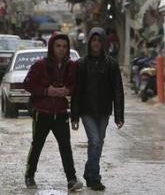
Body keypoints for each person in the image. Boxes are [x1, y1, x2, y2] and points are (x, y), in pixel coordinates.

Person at [22, 32, 83, 191]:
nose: (61, 49)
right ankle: (29, 176)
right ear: (51, 47)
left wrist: (66, 90)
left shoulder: (71, 66)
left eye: (64, 46)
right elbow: (28, 85)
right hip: (42, 112)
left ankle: (71, 180)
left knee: (65, 146)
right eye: (58, 46)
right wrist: (46, 91)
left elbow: (76, 86)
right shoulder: (40, 65)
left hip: (61, 112)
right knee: (37, 145)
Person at [71, 27, 124, 191]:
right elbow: (76, 91)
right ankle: (95, 178)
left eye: (99, 40)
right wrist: (74, 116)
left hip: (104, 110)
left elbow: (117, 90)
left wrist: (119, 115)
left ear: (104, 43)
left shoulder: (112, 65)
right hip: (87, 111)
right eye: (93, 40)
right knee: (94, 141)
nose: (96, 43)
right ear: (89, 42)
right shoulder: (81, 64)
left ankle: (88, 172)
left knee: (98, 143)